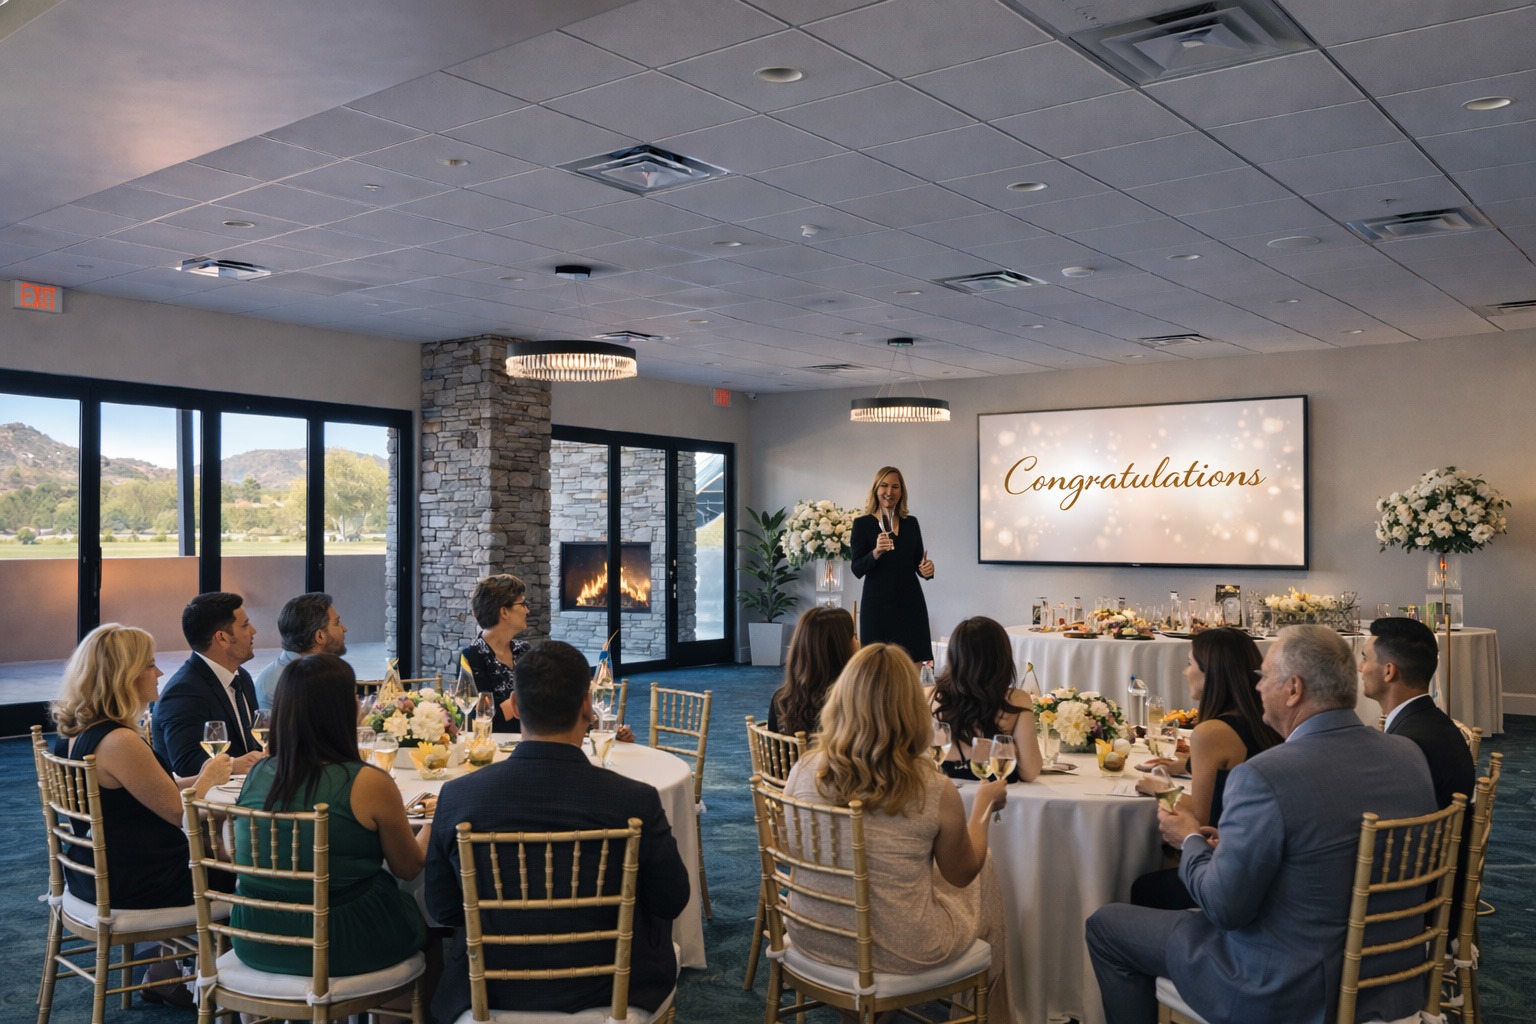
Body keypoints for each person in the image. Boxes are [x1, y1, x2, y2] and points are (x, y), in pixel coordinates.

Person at [1086, 625, 1437, 1024]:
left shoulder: (1265, 775)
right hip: (1394, 977)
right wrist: (1233, 845)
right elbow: (1327, 850)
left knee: (1106, 925)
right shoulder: (1407, 754)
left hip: (1285, 986)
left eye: (1264, 677)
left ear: (1293, 689)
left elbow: (1223, 908)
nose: (1256, 688)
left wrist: (1190, 842)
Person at [425, 641, 690, 1023]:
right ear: (587, 705)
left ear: (514, 706)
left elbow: (443, 909)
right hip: (616, 988)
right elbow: (671, 899)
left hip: (491, 992)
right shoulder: (635, 800)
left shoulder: (459, 797)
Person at [782, 643, 1013, 1021]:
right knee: (983, 866)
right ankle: (987, 1013)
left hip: (812, 932)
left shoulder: (804, 769)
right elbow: (961, 874)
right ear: (911, 710)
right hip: (903, 949)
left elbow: (793, 850)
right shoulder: (931, 787)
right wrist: (985, 806)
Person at [51, 624, 234, 1008]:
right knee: (247, 871)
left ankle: (179, 972)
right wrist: (209, 778)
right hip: (137, 885)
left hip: (93, 876)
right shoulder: (120, 742)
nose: (160, 673)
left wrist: (204, 777)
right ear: (125, 676)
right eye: (150, 665)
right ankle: (223, 986)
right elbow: (181, 815)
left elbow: (152, 789)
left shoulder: (78, 732)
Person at [231, 654, 427, 977]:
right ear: (339, 711)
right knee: (426, 925)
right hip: (339, 938)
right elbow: (408, 867)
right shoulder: (368, 782)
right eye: (354, 696)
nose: (360, 705)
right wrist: (437, 819)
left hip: (256, 934)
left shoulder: (257, 774)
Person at [1130, 628, 1280, 909]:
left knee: (1143, 884)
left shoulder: (1211, 732)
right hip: (1263, 865)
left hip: (1223, 867)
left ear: (1212, 673)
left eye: (1190, 663)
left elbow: (1199, 818)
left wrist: (1159, 787)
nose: (1186, 672)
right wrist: (1185, 766)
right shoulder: (1267, 720)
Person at [1361, 616, 1476, 918]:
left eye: (1364, 658)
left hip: (1423, 900)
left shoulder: (1410, 743)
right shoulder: (1431, 722)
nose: (1360, 668)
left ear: (1389, 672)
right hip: (1446, 878)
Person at [151, 591, 267, 778]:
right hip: (203, 801)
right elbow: (185, 763)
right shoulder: (183, 691)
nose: (253, 630)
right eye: (245, 625)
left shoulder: (241, 677)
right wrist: (234, 764)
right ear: (222, 638)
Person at [929, 616, 1042, 783]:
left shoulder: (930, 696)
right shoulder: (1016, 700)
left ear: (954, 656)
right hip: (998, 802)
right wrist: (1010, 749)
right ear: (1002, 657)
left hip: (945, 799)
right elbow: (1030, 772)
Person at [850, 466, 936, 662]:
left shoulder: (911, 523)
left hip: (910, 603)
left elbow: (917, 563)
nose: (889, 492)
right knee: (875, 666)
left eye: (895, 487)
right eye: (884, 486)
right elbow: (857, 568)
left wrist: (927, 570)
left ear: (901, 492)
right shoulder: (862, 524)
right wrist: (876, 552)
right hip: (877, 605)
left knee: (914, 660)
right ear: (876, 490)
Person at [459, 573, 533, 733]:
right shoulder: (472, 656)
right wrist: (524, 699)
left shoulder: (524, 650)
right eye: (523, 604)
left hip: (529, 741)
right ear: (504, 612)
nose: (528, 610)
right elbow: (480, 718)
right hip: (492, 747)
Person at [767, 606, 857, 736]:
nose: (858, 641)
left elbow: (774, 750)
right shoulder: (852, 701)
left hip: (795, 757)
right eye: (853, 636)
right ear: (838, 649)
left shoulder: (781, 699)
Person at [253, 592, 347, 710]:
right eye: (337, 623)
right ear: (320, 636)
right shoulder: (293, 680)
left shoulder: (308, 670)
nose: (344, 629)